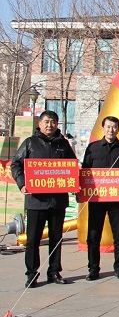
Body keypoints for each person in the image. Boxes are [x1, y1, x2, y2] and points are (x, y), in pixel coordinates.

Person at [11, 110, 76, 288]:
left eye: (53, 122)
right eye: (46, 122)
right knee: (33, 239)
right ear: (39, 124)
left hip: (57, 201)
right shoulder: (30, 143)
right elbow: (16, 164)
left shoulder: (63, 144)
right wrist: (22, 183)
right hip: (36, 201)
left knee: (56, 238)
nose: (50, 125)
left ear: (57, 124)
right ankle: (32, 274)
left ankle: (54, 271)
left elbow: (73, 166)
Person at [82, 116, 119, 281]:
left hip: (117, 200)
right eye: (108, 127)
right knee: (93, 236)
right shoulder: (93, 148)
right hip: (97, 200)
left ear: (118, 129)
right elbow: (85, 172)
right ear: (103, 128)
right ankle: (93, 269)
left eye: (114, 127)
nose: (111, 130)